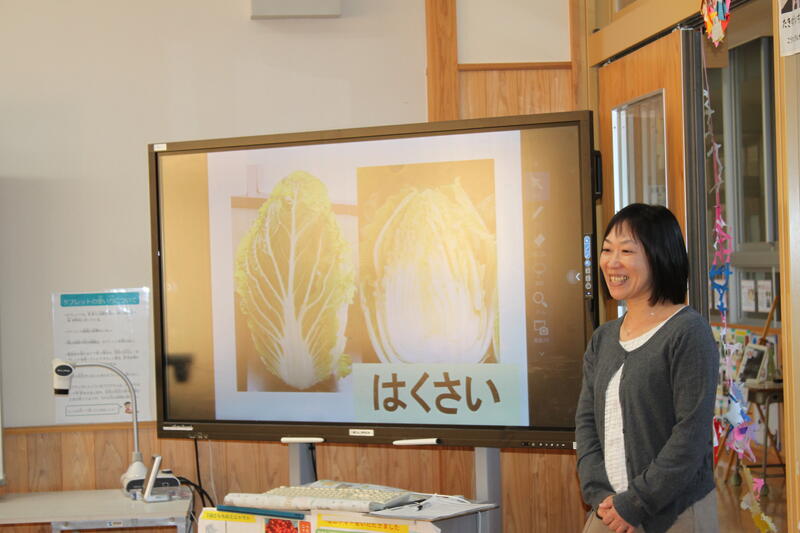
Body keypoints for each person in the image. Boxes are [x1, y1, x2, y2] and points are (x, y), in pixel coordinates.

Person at [576, 203, 719, 533]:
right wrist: (600, 495)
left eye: (626, 251)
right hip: (608, 513)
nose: (612, 262)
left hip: (676, 514)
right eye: (607, 250)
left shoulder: (688, 332)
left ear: (659, 256)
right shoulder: (603, 338)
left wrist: (634, 503)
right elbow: (586, 423)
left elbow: (691, 435)